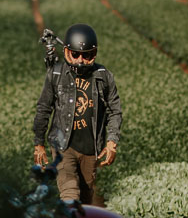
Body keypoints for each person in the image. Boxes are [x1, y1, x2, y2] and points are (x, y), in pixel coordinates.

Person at [32, 23, 122, 203]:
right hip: (62, 145)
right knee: (70, 192)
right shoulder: (56, 75)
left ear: (94, 54)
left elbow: (115, 111)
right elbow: (44, 108)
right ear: (66, 52)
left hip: (91, 148)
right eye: (75, 54)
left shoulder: (104, 77)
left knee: (86, 196)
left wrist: (112, 142)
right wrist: (39, 143)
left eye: (86, 55)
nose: (80, 59)